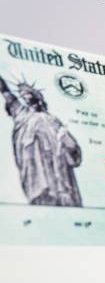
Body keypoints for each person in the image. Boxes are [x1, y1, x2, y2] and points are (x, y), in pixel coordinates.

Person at [0, 75, 82, 206]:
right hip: (36, 165)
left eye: (27, 93)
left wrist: (69, 145)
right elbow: (6, 92)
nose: (24, 96)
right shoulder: (22, 114)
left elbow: (68, 142)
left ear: (36, 96)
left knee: (62, 194)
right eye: (22, 94)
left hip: (56, 164)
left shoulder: (51, 119)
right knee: (43, 194)